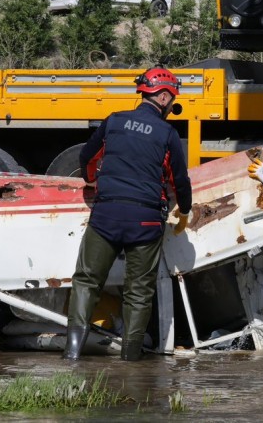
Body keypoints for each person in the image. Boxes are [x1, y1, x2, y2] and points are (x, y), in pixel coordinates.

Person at [64, 67, 192, 361]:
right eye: (172, 99)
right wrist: (184, 211)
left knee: (86, 280)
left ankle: (72, 354)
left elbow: (86, 157)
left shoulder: (114, 121)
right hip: (145, 222)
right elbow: (179, 181)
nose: (172, 106)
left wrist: (90, 179)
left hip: (106, 215)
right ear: (162, 96)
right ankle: (130, 360)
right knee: (139, 291)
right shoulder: (167, 134)